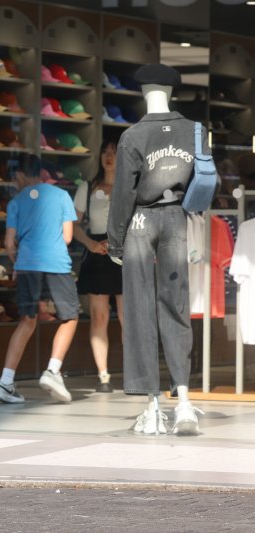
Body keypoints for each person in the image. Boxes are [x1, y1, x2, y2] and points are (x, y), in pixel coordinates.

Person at [107, 63, 206, 436]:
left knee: (139, 312)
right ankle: (183, 403)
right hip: (177, 220)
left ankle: (151, 406)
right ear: (173, 91)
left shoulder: (133, 135)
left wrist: (114, 241)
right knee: (177, 307)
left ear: (142, 90)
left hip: (139, 222)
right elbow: (203, 183)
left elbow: (123, 194)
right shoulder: (196, 131)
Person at [0, 154, 79, 405]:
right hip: (56, 265)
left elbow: (9, 244)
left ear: (21, 175)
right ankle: (52, 370)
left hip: (27, 266)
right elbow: (68, 237)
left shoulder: (16, 202)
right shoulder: (62, 196)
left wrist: (20, 259)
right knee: (70, 316)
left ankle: (5, 382)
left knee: (26, 322)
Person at [73, 140, 124, 393]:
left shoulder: (130, 186)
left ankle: (136, 372)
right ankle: (103, 374)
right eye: (105, 151)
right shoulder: (88, 187)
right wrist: (91, 244)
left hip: (125, 250)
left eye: (114, 152)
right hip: (97, 251)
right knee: (99, 316)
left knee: (129, 318)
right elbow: (72, 223)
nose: (109, 156)